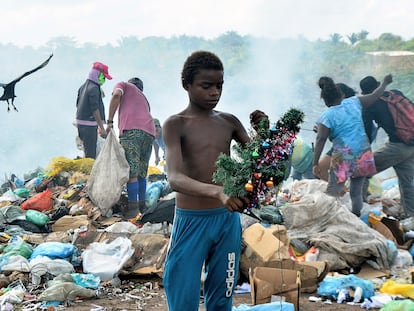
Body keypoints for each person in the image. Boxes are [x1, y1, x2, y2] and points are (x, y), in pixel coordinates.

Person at [162, 51, 251, 311]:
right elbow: (175, 178)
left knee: (223, 294)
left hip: (227, 221)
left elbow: (258, 162)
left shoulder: (229, 122)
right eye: (206, 86)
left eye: (219, 86)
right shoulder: (176, 124)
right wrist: (219, 193)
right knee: (182, 295)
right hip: (191, 222)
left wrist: (267, 137)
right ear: (186, 85)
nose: (215, 92)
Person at [312, 74, 393, 216]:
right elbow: (374, 95)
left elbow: (320, 139)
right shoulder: (354, 102)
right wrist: (384, 83)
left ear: (325, 100)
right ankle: (355, 216)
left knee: (333, 191)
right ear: (340, 94)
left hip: (344, 154)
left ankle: (330, 218)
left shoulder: (327, 116)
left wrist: (315, 164)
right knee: (356, 192)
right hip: (363, 152)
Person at [361, 75, 414, 218]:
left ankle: (359, 208)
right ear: (379, 84)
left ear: (365, 94)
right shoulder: (395, 93)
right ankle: (409, 215)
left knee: (363, 171)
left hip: (396, 146)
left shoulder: (370, 106)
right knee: (407, 183)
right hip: (411, 144)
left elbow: (365, 134)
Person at [105, 77, 155, 218]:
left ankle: (133, 210)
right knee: (141, 173)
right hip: (149, 133)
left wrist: (109, 122)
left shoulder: (124, 85)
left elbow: (116, 95)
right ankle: (142, 206)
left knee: (131, 172)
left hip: (132, 131)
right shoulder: (145, 100)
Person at [75, 61, 112, 159]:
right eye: (103, 77)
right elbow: (95, 109)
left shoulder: (83, 87)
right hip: (89, 126)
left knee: (87, 151)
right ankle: (89, 172)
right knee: (90, 155)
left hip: (81, 125)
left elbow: (77, 105)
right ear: (98, 75)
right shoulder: (94, 88)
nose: (104, 80)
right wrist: (102, 128)